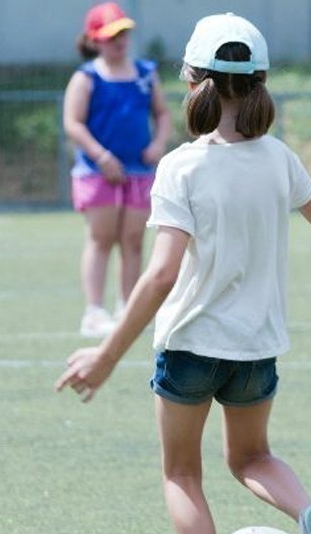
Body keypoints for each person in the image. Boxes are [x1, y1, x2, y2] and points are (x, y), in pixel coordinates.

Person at [54, 12, 311, 534]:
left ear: (191, 79)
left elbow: (158, 278)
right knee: (253, 456)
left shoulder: (182, 167)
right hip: (258, 349)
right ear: (260, 82)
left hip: (188, 347)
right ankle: (306, 512)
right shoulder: (280, 159)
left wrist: (104, 354)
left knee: (181, 474)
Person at [63, 1, 173, 338]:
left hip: (139, 171)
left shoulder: (145, 73)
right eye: (112, 36)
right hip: (98, 173)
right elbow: (73, 123)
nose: (120, 41)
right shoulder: (86, 78)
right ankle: (94, 312)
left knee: (134, 241)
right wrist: (102, 156)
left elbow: (163, 114)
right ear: (95, 39)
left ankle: (128, 306)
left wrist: (158, 144)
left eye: (123, 34)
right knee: (101, 239)